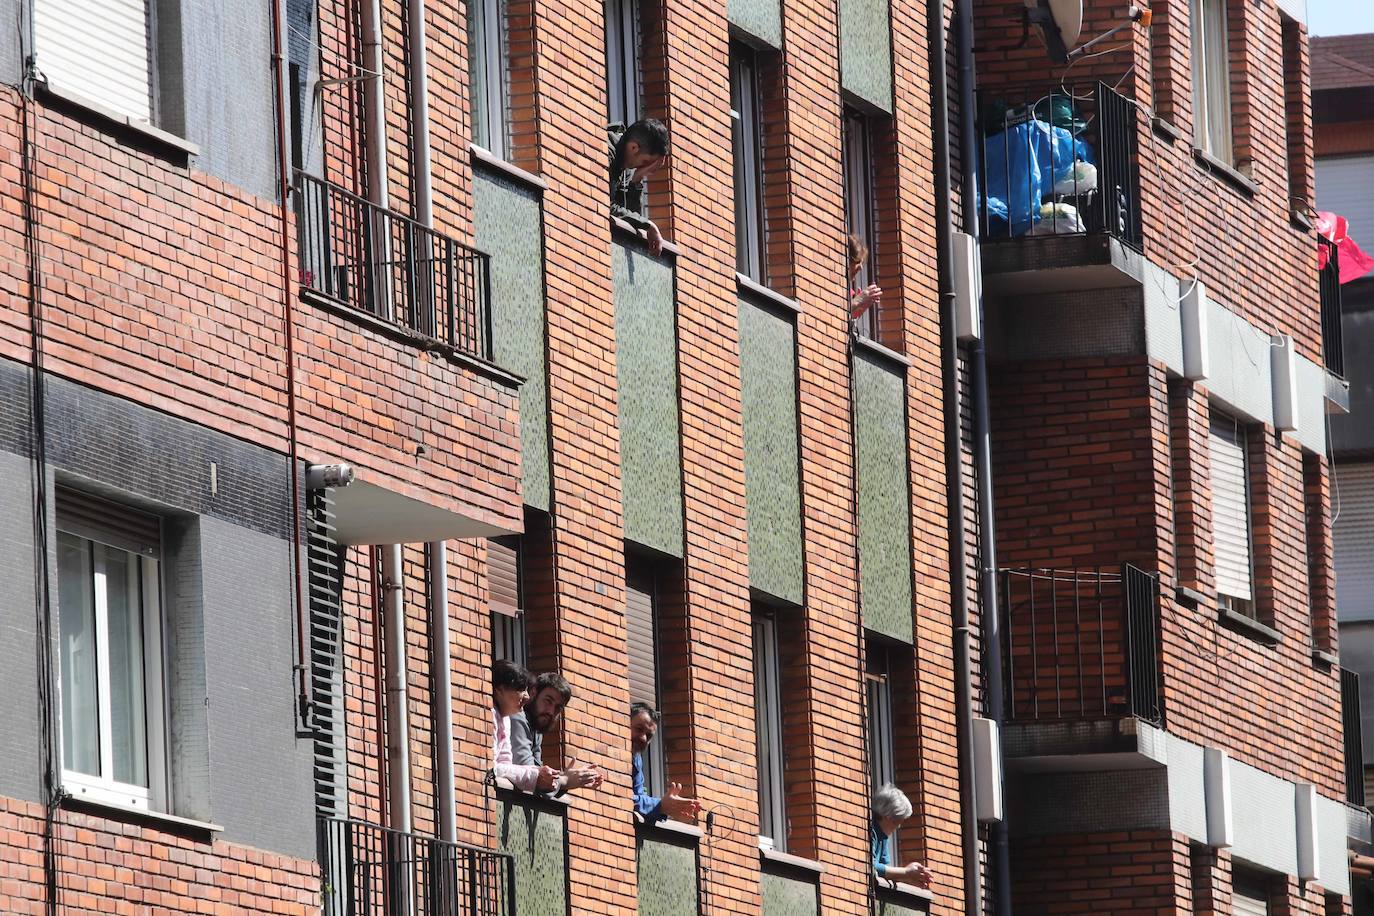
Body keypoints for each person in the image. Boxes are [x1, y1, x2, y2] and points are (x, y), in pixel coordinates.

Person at [510, 671, 604, 795]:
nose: (551, 711)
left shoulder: (536, 729)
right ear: (533, 693)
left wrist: (570, 778)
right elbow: (531, 776)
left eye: (558, 708)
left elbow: (538, 773)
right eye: (548, 701)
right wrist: (565, 780)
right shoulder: (518, 717)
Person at [490, 660, 559, 792]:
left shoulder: (505, 718)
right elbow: (494, 768)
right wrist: (536, 776)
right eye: (521, 689)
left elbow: (506, 764)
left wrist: (541, 774)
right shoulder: (490, 715)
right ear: (499, 690)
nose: (527, 696)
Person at [629, 702, 700, 823]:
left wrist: (666, 808)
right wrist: (660, 806)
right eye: (639, 729)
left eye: (649, 735)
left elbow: (633, 799)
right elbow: (619, 796)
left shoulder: (636, 758)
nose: (643, 738)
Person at [609, 119, 670, 256]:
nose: (642, 167)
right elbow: (607, 206)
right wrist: (648, 224)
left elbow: (628, 217)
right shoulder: (607, 152)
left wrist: (636, 180)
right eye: (644, 162)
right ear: (633, 148)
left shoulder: (626, 163)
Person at [870, 783, 933, 888]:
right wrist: (906, 872)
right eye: (897, 821)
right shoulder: (872, 832)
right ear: (887, 816)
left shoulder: (883, 837)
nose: (898, 826)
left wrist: (910, 877)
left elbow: (884, 871)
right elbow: (871, 867)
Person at [848, 234, 882, 322]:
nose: (860, 268)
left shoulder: (849, 292)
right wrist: (858, 301)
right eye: (857, 261)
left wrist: (859, 308)